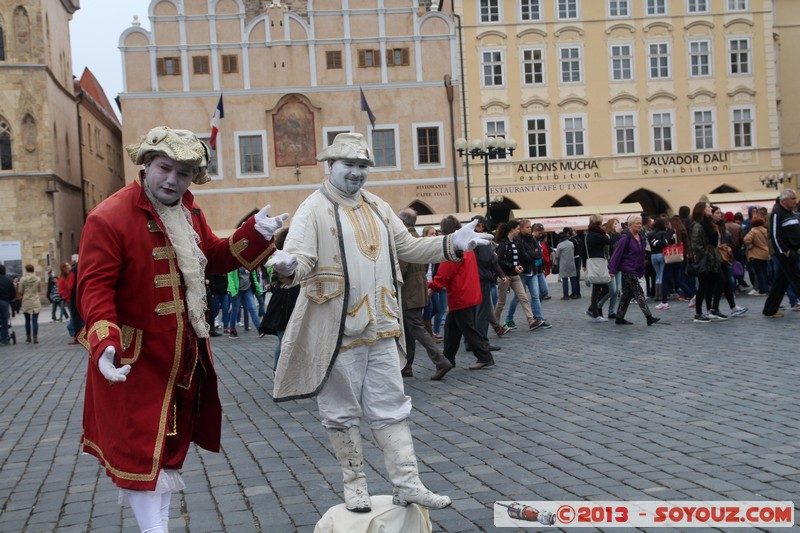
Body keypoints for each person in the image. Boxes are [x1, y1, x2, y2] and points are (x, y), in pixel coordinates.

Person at [76, 126, 287, 533]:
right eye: (164, 168)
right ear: (146, 166)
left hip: (183, 358)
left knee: (167, 451)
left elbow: (212, 256)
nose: (172, 180)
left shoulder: (190, 213)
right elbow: (94, 286)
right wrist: (104, 342)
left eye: (184, 173)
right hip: (136, 362)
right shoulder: (109, 217)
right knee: (142, 455)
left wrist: (255, 235)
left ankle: (159, 526)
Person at [267, 133, 491, 514]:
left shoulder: (378, 206)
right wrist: (288, 267)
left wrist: (453, 242)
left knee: (392, 407)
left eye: (362, 166)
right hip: (337, 329)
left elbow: (410, 248)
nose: (356, 173)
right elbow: (301, 258)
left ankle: (408, 484)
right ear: (330, 166)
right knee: (340, 410)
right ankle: (354, 486)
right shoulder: (313, 207)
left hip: (383, 324)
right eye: (348, 165)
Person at [396, 208, 453, 380]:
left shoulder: (404, 240)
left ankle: (441, 361)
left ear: (402, 222)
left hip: (408, 291)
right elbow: (425, 264)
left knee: (416, 328)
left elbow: (401, 269)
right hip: (419, 288)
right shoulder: (419, 238)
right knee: (409, 329)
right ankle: (407, 366)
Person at [258, 227, 300, 371]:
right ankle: (278, 371)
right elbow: (278, 280)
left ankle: (289, 372)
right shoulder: (278, 257)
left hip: (294, 301)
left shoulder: (298, 255)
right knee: (284, 342)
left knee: (292, 342)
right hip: (284, 304)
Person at [608, 214, 660, 326]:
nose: (640, 225)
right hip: (628, 268)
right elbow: (617, 253)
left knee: (627, 294)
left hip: (636, 268)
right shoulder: (625, 237)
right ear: (630, 225)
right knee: (638, 292)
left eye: (640, 223)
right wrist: (612, 269)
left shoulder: (640, 236)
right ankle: (649, 317)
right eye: (637, 223)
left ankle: (619, 317)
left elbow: (641, 251)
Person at [504, 218, 551, 330]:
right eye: (527, 227)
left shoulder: (533, 239)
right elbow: (523, 256)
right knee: (518, 297)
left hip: (533, 271)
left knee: (535, 295)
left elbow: (539, 254)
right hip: (523, 272)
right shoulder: (519, 240)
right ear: (521, 228)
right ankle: (509, 318)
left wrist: (532, 254)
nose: (530, 229)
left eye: (530, 227)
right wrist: (532, 254)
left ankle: (538, 319)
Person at [471, 215, 508, 347]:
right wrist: (494, 256)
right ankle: (482, 342)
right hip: (482, 278)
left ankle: (471, 342)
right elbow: (488, 259)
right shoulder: (483, 239)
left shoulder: (468, 238)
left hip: (472, 278)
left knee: (473, 311)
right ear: (480, 225)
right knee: (483, 311)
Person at [493, 220, 538, 330]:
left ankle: (531, 321)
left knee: (523, 298)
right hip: (505, 276)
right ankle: (495, 323)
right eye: (518, 228)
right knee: (501, 302)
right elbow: (499, 260)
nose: (519, 231)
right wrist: (513, 267)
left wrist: (518, 265)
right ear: (512, 229)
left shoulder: (516, 243)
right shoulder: (504, 244)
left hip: (515, 276)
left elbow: (516, 258)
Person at [763, 189, 800, 318]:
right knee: (796, 278)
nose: (795, 201)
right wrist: (784, 251)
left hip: (794, 251)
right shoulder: (777, 213)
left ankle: (769, 309)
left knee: (781, 283)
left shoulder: (791, 213)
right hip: (786, 253)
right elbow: (774, 234)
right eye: (793, 199)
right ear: (784, 201)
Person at [689, 201, 718, 323]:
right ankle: (698, 313)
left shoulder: (707, 223)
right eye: (708, 207)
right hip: (704, 259)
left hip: (709, 258)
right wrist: (704, 254)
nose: (710, 208)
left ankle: (707, 310)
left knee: (708, 285)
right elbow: (695, 244)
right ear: (702, 210)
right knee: (702, 286)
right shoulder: (698, 225)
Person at [584, 215, 611, 322]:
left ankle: (592, 309)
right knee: (597, 289)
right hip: (597, 263)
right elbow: (608, 241)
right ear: (598, 223)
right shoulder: (595, 234)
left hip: (595, 262)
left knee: (604, 289)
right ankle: (594, 313)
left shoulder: (590, 234)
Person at [226, 265, 262, 337]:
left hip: (247, 289)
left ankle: (260, 329)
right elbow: (230, 278)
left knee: (252, 308)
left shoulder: (250, 264)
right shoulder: (233, 264)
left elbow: (254, 278)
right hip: (237, 290)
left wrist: (258, 290)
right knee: (235, 311)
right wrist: (233, 291)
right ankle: (232, 330)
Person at [743, 215, 770, 295]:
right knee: (765, 272)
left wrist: (750, 245)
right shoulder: (765, 230)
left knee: (759, 273)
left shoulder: (753, 231)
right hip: (766, 253)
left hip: (756, 255)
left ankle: (762, 290)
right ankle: (766, 288)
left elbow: (746, 239)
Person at [18, 264, 42, 343]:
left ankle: (28, 337)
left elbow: (20, 291)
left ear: (26, 270)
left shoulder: (23, 279)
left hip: (26, 300)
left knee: (27, 320)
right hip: (35, 300)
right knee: (35, 320)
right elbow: (39, 289)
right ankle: (35, 337)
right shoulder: (37, 279)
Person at [554, 231, 578, 299]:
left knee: (565, 280)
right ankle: (574, 294)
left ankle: (566, 295)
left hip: (564, 264)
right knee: (573, 279)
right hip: (572, 263)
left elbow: (557, 256)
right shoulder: (571, 243)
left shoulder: (560, 245)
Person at [0, 264, 15, 346]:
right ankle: (4, 339)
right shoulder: (8, 280)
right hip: (4, 302)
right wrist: (9, 299)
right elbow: (13, 294)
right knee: (5, 321)